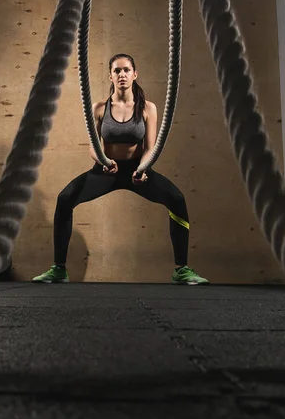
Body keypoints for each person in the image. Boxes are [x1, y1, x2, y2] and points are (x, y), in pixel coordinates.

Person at [32, 53, 208, 285]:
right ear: (110, 76)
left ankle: (181, 269)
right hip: (106, 171)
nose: (122, 74)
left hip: (138, 171)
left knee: (176, 198)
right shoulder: (99, 108)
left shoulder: (148, 108)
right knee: (65, 198)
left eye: (126, 70)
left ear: (135, 74)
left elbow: (150, 146)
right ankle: (59, 269)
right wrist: (104, 161)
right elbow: (93, 146)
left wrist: (144, 168)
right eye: (117, 70)